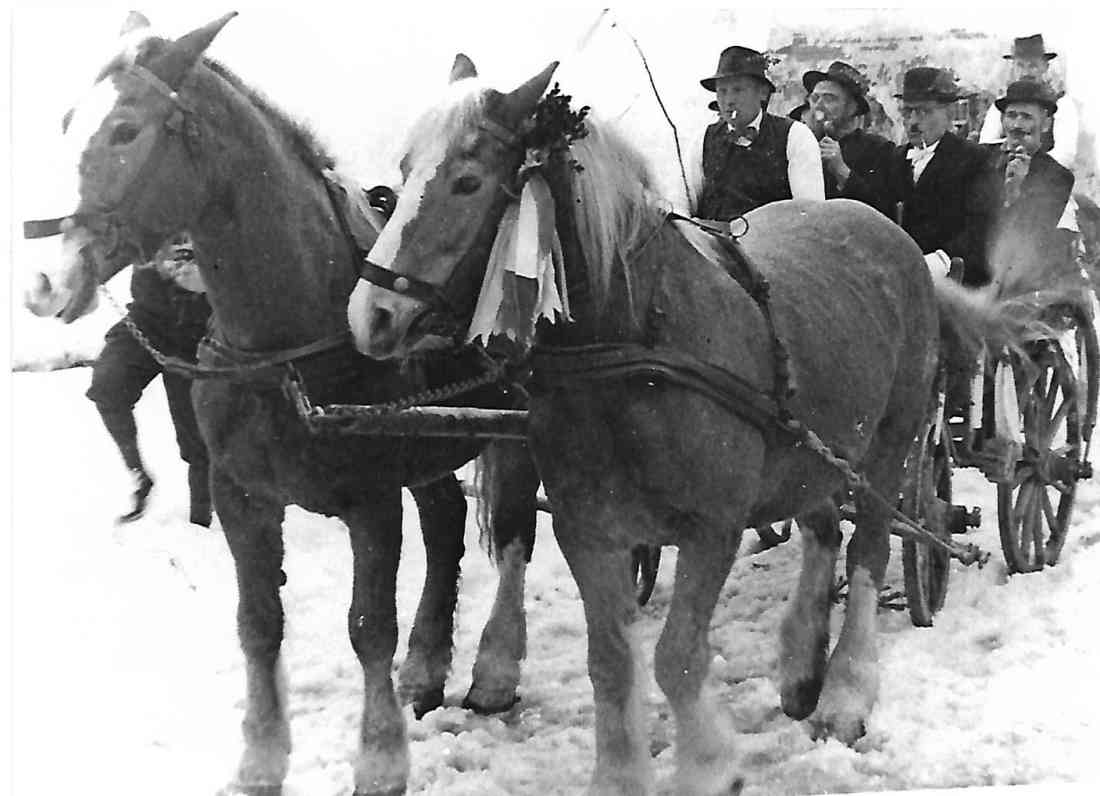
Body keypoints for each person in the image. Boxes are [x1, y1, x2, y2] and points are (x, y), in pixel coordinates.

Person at [86, 232, 213, 526]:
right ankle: (139, 476)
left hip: (200, 332)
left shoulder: (218, 200)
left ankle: (201, 521)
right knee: (108, 385)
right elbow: (105, 257)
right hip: (147, 321)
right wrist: (75, 280)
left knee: (197, 439)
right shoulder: (147, 209)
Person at [882, 67, 995, 285]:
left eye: (924, 111)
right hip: (903, 280)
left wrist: (940, 261)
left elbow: (981, 228)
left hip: (958, 282)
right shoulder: (894, 159)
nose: (913, 122)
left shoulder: (975, 159)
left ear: (948, 113)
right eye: (908, 112)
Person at [692, 45, 824, 221]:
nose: (729, 101)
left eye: (738, 90)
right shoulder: (703, 139)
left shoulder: (796, 135)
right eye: (722, 91)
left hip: (771, 243)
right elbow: (683, 202)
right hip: (713, 243)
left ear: (762, 93)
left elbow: (809, 211)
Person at [983, 79, 1076, 293]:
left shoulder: (1057, 176)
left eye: (1026, 117)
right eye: (1011, 115)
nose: (1016, 125)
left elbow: (1034, 236)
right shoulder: (980, 157)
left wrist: (1015, 193)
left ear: (1045, 124)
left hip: (1018, 284)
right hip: (969, 270)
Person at [801, 61, 895, 212]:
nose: (818, 106)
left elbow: (882, 210)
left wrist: (841, 170)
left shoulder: (878, 149)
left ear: (852, 108)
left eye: (829, 99)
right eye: (814, 98)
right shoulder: (800, 144)